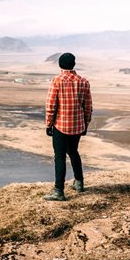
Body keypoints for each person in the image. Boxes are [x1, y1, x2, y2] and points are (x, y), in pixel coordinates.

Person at [43, 52, 92, 201]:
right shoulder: (84, 82)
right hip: (77, 125)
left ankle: (58, 191)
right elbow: (88, 106)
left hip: (60, 125)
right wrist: (85, 124)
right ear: (74, 64)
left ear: (59, 65)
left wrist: (49, 124)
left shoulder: (57, 81)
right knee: (74, 152)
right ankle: (79, 183)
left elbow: (51, 104)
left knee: (59, 157)